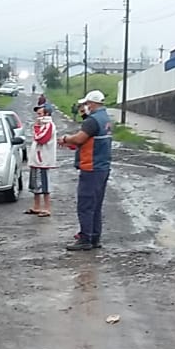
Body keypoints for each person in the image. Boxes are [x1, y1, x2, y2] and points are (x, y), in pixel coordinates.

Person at [59, 89, 113, 251]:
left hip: (91, 168)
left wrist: (66, 139)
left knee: (85, 205)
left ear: (93, 104)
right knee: (96, 205)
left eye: (86, 104)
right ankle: (94, 237)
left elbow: (79, 138)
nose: (84, 107)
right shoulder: (105, 118)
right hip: (102, 167)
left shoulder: (92, 121)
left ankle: (85, 239)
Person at [25, 103, 56, 218]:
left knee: (44, 185)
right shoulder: (42, 125)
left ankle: (47, 208)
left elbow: (41, 139)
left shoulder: (49, 125)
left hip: (43, 160)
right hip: (36, 160)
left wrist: (36, 127)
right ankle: (36, 206)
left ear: (46, 114)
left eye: (40, 114)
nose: (37, 116)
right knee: (35, 185)